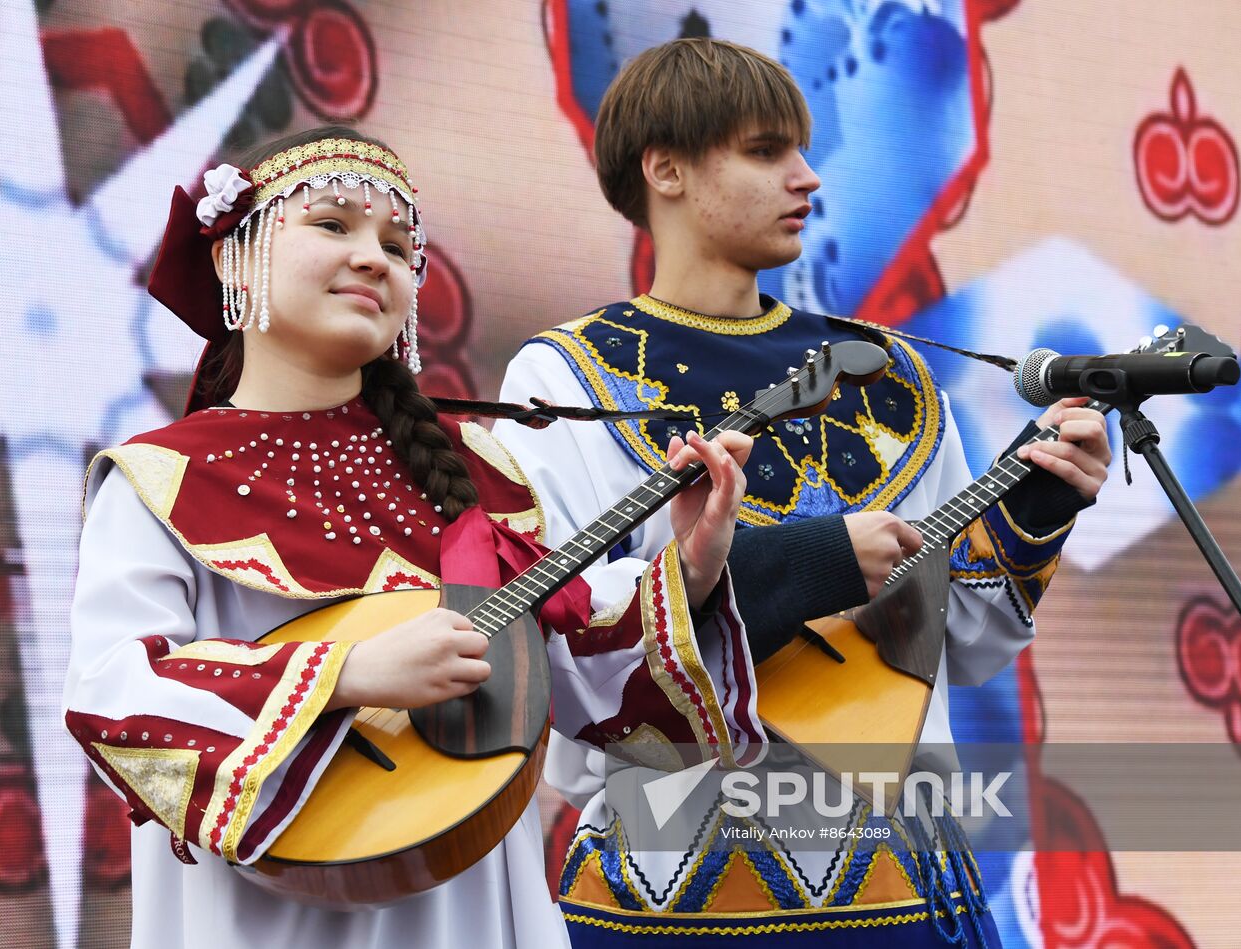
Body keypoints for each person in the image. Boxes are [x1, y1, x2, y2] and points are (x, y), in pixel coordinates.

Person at [62, 125, 765, 948]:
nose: (374, 259)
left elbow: (574, 673)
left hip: (471, 905)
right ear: (230, 258)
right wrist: (347, 673)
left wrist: (689, 566)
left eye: (399, 247)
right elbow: (115, 694)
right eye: (333, 225)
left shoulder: (477, 475)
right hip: (266, 917)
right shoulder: (161, 476)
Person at [494, 39, 1111, 947]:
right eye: (764, 150)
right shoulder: (563, 375)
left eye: (803, 149)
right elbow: (560, 636)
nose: (809, 178)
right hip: (667, 892)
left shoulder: (893, 374)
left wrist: (1037, 507)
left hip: (901, 885)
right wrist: (811, 560)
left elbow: (962, 646)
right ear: (663, 168)